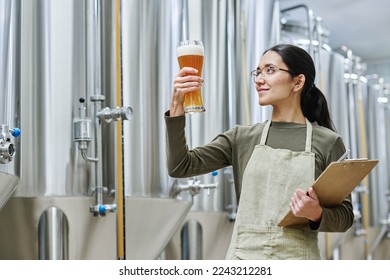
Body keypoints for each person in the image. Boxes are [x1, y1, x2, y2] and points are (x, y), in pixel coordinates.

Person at [164, 43, 354, 260]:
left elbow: (345, 217)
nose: (258, 79)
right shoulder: (242, 137)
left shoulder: (327, 142)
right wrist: (177, 107)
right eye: (258, 72)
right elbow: (180, 166)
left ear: (298, 81)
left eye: (270, 70)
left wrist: (316, 213)